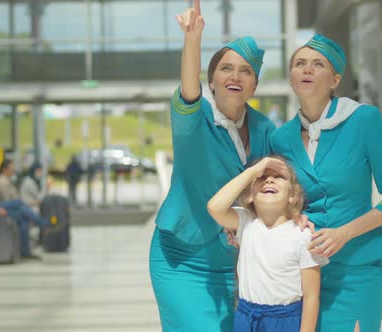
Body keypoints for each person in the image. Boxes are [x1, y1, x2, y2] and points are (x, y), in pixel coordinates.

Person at [148, 1, 276, 331]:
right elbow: (189, 92)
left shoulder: (266, 130)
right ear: (212, 81)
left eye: (246, 71)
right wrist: (192, 39)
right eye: (226, 69)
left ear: (254, 86)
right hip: (181, 256)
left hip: (237, 263)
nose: (236, 76)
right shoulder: (194, 119)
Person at [270, 34, 382, 331]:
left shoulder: (365, 120)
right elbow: (282, 200)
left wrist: (344, 233)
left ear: (335, 80)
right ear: (291, 77)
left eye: (317, 64)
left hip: (356, 270)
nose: (307, 69)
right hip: (300, 272)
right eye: (299, 64)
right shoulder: (280, 138)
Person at [207, 156, 327, 332]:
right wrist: (253, 171)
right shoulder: (245, 222)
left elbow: (311, 297)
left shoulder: (304, 235)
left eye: (279, 176)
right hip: (245, 317)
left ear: (292, 196)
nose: (269, 179)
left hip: (285, 321)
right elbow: (214, 207)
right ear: (250, 196)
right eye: (262, 177)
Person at [0, 159, 47, 259]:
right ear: (5, 169)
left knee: (24, 221)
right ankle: (42, 223)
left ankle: (25, 253)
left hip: (11, 209)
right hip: (2, 208)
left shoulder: (9, 181)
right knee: (19, 203)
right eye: (11, 167)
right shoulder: (0, 181)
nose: (13, 169)